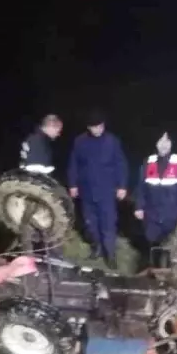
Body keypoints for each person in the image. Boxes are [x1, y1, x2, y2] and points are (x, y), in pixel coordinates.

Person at [68, 110, 129, 269]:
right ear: (89, 127)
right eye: (94, 127)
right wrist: (73, 184)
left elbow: (120, 164)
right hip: (86, 190)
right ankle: (97, 248)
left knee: (108, 224)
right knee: (90, 223)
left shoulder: (112, 141)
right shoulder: (79, 141)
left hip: (107, 190)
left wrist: (122, 186)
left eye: (100, 126)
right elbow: (74, 164)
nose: (98, 130)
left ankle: (110, 254)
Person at [134, 132, 177, 253]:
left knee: (171, 248)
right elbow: (141, 187)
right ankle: (153, 268)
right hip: (151, 214)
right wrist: (139, 207)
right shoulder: (148, 162)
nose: (164, 145)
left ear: (172, 144)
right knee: (152, 246)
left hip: (172, 215)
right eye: (161, 141)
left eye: (167, 141)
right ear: (156, 143)